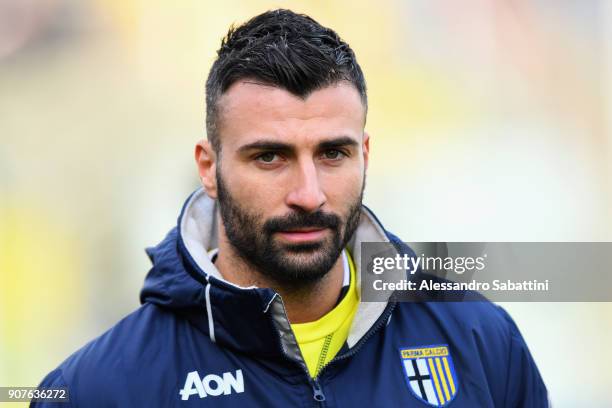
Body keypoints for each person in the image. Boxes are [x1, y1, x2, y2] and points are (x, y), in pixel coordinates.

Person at [33, 9, 548, 407]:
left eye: (333, 153)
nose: (309, 193)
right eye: (270, 156)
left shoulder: (481, 342)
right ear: (209, 168)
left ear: (364, 156)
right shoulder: (99, 389)